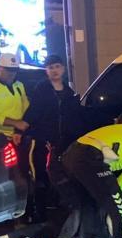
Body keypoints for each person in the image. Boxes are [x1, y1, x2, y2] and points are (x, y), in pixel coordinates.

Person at [22, 54, 84, 222]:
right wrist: (20, 129)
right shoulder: (41, 89)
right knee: (40, 176)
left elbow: (74, 117)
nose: (54, 70)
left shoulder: (69, 92)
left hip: (61, 143)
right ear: (46, 71)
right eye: (50, 67)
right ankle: (39, 214)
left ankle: (57, 210)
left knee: (59, 176)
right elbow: (33, 112)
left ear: (63, 68)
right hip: (41, 141)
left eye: (57, 66)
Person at [0, 53, 30, 142]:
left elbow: (26, 107)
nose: (11, 73)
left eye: (14, 70)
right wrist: (16, 123)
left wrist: (21, 127)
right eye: (8, 70)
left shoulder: (19, 85)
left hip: (19, 134)